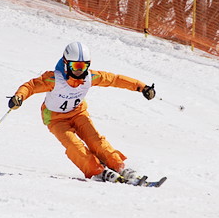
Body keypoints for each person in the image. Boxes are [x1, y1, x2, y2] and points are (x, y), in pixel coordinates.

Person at [8, 41, 156, 184]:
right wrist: (19, 97)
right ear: (66, 64)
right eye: (76, 65)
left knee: (96, 141)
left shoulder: (90, 77)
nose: (80, 70)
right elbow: (31, 86)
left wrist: (141, 87)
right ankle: (97, 171)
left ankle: (119, 166)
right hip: (55, 119)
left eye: (84, 66)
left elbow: (114, 80)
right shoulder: (53, 79)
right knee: (74, 146)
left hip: (78, 114)